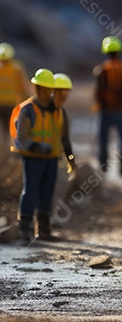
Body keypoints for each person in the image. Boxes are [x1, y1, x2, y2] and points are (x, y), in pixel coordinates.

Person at [9, 69, 62, 244]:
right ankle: (25, 230)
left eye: (49, 89)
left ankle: (44, 230)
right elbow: (21, 138)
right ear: (36, 88)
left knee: (47, 193)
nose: (47, 93)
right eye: (44, 89)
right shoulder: (28, 109)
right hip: (33, 158)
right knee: (30, 191)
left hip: (51, 158)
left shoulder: (56, 108)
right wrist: (37, 146)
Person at [93, 36, 122, 175]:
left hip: (106, 110)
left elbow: (98, 91)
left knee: (104, 138)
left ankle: (103, 166)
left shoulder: (101, 70)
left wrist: (97, 104)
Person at [0, 42, 29, 153]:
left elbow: (22, 86)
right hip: (10, 103)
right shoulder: (17, 67)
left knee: (9, 127)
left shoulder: (16, 68)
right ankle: (9, 149)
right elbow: (23, 87)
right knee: (11, 126)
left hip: (9, 103)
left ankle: (7, 149)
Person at [52, 73, 78, 180]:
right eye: (65, 91)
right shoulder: (55, 110)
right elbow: (65, 139)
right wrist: (71, 161)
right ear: (56, 91)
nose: (67, 94)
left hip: (52, 156)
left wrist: (71, 160)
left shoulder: (61, 110)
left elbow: (65, 139)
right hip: (45, 156)